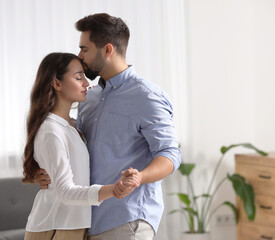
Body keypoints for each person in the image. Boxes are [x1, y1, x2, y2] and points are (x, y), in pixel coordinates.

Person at [36, 13, 181, 240]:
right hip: (87, 220)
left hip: (126, 218)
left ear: (107, 50)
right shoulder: (89, 98)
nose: (79, 56)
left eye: (84, 49)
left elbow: (170, 154)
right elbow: (73, 148)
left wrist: (139, 177)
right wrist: (46, 172)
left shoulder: (147, 96)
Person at [23, 52, 141, 240]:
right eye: (79, 78)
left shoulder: (72, 125)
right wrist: (114, 189)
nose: (86, 83)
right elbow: (66, 192)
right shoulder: (51, 130)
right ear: (57, 83)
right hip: (56, 226)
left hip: (73, 225)